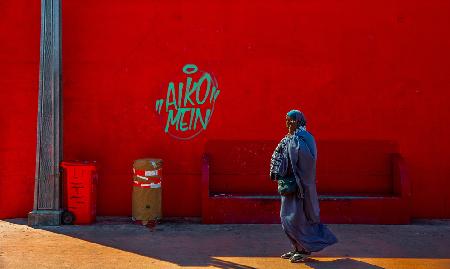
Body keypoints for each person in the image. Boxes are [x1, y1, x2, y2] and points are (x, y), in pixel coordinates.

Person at [270, 109, 338, 263]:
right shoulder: (289, 138)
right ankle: (296, 247)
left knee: (299, 218)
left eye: (292, 120)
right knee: (285, 217)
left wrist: (300, 180)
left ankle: (304, 249)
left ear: (299, 122)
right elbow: (279, 155)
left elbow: (309, 161)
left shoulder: (305, 138)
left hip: (301, 187)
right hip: (288, 186)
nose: (288, 123)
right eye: (287, 120)